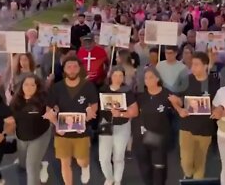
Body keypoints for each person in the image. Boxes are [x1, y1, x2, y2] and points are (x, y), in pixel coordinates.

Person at [43, 56, 98, 185]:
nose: (72, 70)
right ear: (64, 70)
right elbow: (49, 109)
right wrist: (56, 124)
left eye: (75, 67)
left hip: (81, 131)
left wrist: (90, 114)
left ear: (79, 69)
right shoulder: (57, 88)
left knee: (82, 161)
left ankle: (85, 167)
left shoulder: (88, 86)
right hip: (62, 131)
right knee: (65, 162)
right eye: (69, 67)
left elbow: (94, 106)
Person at [169, 52, 218, 179]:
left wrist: (218, 110)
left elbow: (219, 103)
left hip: (205, 129)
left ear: (205, 66)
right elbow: (176, 99)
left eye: (196, 65)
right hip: (186, 128)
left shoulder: (214, 83)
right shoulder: (187, 80)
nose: (193, 68)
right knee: (186, 162)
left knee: (200, 164)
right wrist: (179, 109)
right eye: (192, 65)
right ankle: (188, 174)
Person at [132, 67, 173, 185]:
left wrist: (178, 104)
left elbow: (178, 107)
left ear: (157, 78)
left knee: (159, 170)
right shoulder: (140, 97)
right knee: (145, 169)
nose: (148, 80)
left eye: (150, 77)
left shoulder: (166, 94)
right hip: (141, 138)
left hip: (159, 138)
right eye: (145, 78)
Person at [98, 67, 138, 185]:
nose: (117, 78)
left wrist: (121, 113)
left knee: (118, 156)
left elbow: (135, 112)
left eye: (120, 76)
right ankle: (109, 178)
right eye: (115, 75)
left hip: (122, 126)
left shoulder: (127, 91)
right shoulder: (103, 89)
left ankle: (117, 179)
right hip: (106, 125)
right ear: (111, 76)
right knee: (103, 158)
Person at [10, 74, 51, 185]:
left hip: (39, 136)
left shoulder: (43, 101)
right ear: (21, 86)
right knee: (23, 164)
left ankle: (37, 167)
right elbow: (10, 120)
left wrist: (53, 115)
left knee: (31, 166)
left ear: (37, 87)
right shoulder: (15, 102)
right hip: (21, 136)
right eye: (26, 84)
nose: (29, 87)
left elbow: (53, 111)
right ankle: (41, 165)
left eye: (32, 85)